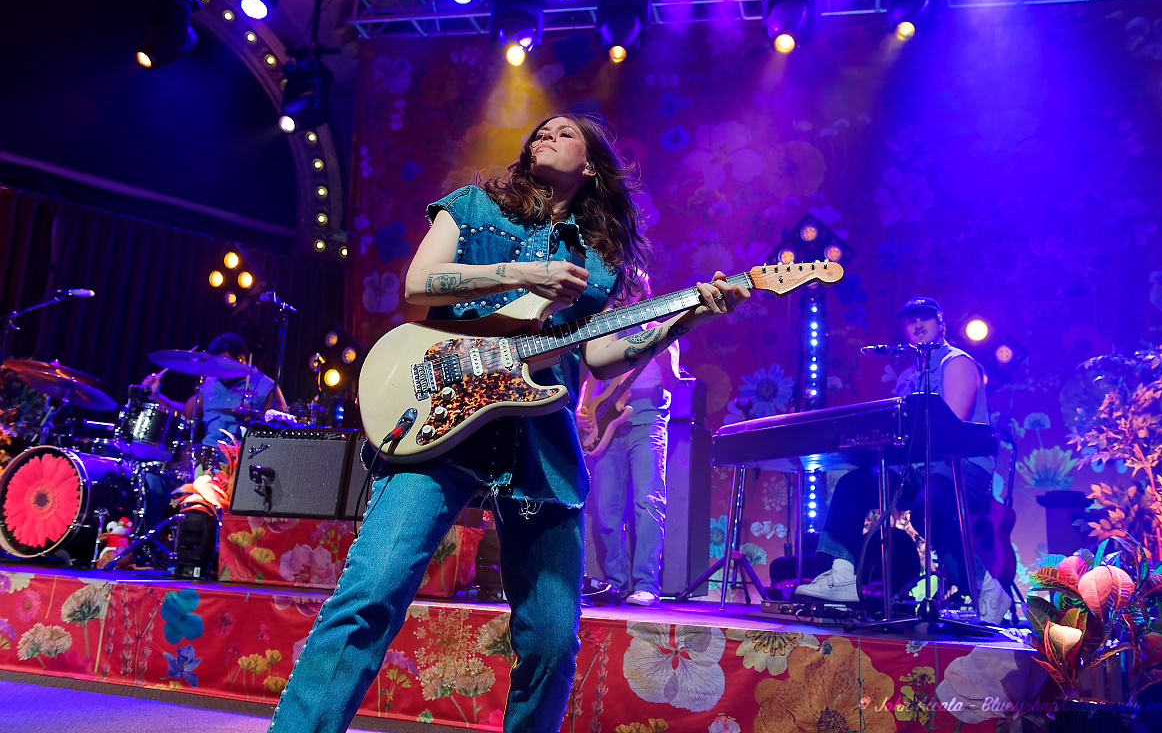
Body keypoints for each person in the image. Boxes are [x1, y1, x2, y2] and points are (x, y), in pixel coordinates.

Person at [267, 114, 747, 733]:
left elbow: (596, 354)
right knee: (369, 596)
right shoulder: (473, 206)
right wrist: (520, 274)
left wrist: (685, 319)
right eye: (540, 130)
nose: (544, 132)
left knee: (551, 637)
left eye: (564, 132)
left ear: (592, 165)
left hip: (538, 440)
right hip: (439, 413)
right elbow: (419, 284)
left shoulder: (597, 256)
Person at [793, 296, 1012, 624]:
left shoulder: (958, 363)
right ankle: (841, 574)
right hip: (918, 467)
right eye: (911, 321)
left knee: (930, 506)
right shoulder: (908, 378)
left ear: (941, 324)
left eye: (925, 317)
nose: (918, 324)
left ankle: (987, 588)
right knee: (854, 483)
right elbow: (899, 433)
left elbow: (947, 429)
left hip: (961, 465)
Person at [576, 271, 680, 606]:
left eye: (631, 291)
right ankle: (615, 583)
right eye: (619, 291)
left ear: (644, 296)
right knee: (605, 508)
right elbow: (593, 379)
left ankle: (647, 584)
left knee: (647, 500)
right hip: (608, 422)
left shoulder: (661, 330)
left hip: (647, 416)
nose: (624, 297)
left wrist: (662, 352)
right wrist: (584, 409)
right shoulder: (606, 331)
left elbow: (674, 383)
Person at [143, 332, 287, 450]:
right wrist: (155, 395)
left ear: (241, 359)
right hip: (208, 459)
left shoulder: (268, 386)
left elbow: (284, 431)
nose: (219, 370)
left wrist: (255, 421)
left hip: (245, 461)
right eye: (215, 364)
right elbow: (186, 415)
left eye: (224, 364)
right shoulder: (210, 383)